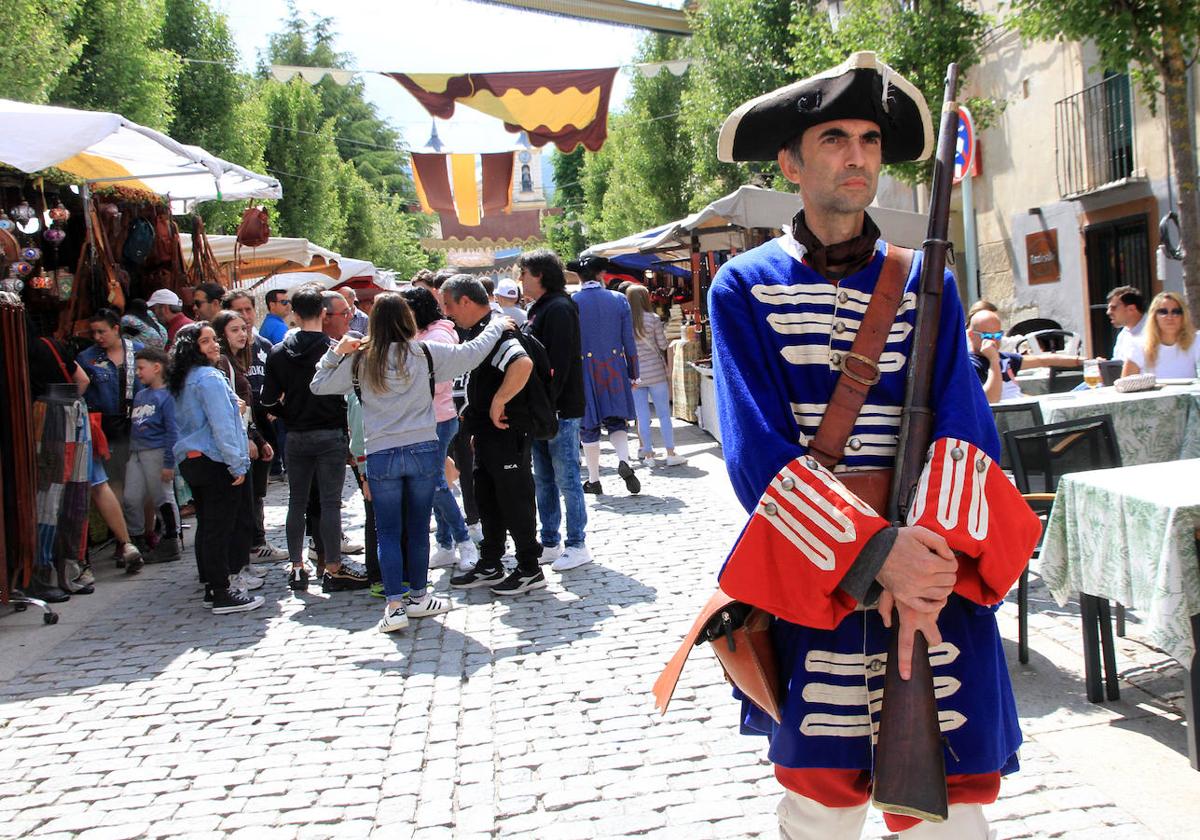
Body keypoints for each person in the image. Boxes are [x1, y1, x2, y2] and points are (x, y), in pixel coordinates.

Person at [707, 52, 1041, 838]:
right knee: (821, 812)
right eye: (833, 138)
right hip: (817, 569)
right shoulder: (743, 287)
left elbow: (966, 433)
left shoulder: (929, 278)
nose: (857, 155)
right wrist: (870, 554)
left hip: (932, 573)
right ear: (790, 162)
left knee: (951, 816)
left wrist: (921, 561)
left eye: (868, 139)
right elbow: (757, 451)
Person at [311, 292, 511, 632]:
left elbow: (319, 386)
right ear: (407, 319)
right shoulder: (424, 352)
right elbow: (471, 354)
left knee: (388, 531)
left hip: (380, 453)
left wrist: (335, 353)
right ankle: (419, 597)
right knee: (418, 528)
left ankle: (394, 604)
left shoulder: (361, 360)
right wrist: (495, 324)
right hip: (421, 447)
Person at [440, 275, 545, 595]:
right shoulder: (481, 330)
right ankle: (491, 562)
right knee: (488, 499)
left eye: (448, 304)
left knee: (514, 499)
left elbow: (521, 363)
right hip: (487, 433)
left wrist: (498, 401)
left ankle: (529, 567)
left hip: (507, 430)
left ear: (465, 301)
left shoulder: (496, 329)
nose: (446, 312)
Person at [261, 283, 367, 593]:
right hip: (331, 432)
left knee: (297, 501)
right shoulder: (333, 350)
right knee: (331, 503)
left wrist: (288, 414)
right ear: (323, 313)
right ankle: (332, 566)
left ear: (293, 314)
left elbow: (267, 400)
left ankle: (296, 567)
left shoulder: (278, 352)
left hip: (296, 435)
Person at [170, 323, 264, 614]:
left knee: (210, 526)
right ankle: (223, 591)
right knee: (221, 527)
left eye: (214, 340)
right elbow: (222, 426)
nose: (214, 345)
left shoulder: (184, 379)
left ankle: (215, 587)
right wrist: (237, 464)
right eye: (205, 341)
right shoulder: (208, 377)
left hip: (193, 460)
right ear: (192, 347)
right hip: (214, 460)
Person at [517, 249, 592, 571]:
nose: (520, 280)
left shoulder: (559, 308)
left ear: (540, 275)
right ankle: (550, 540)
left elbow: (559, 365)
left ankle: (577, 543)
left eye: (524, 274)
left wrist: (547, 406)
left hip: (558, 409)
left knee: (567, 479)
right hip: (542, 410)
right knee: (544, 479)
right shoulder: (541, 308)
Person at [398, 286, 480, 573]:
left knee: (433, 484)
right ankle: (446, 543)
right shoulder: (422, 334)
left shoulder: (438, 336)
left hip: (439, 418)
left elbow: (440, 381)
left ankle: (463, 539)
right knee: (436, 483)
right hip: (424, 419)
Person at [223, 290, 287, 562]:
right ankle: (246, 548)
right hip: (241, 430)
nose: (247, 318)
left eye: (249, 310)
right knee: (241, 493)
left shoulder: (262, 345)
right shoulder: (225, 356)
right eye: (240, 312)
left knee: (258, 490)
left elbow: (281, 377)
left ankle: (257, 542)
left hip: (263, 424)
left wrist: (277, 404)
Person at [569, 256, 641, 495]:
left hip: (583, 370)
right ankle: (624, 461)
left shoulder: (571, 302)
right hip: (614, 367)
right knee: (617, 420)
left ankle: (594, 480)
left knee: (588, 426)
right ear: (600, 275)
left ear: (578, 277)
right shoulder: (619, 299)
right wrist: (634, 373)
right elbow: (628, 341)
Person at [211, 310, 269, 593]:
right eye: (234, 330)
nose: (242, 334)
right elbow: (233, 410)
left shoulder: (236, 361)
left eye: (244, 329)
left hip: (245, 439)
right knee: (236, 513)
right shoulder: (222, 364)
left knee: (247, 507)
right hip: (235, 445)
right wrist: (250, 438)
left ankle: (241, 564)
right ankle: (234, 571)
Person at [122, 347, 181, 564]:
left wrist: (168, 463)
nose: (137, 373)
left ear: (156, 368)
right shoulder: (140, 395)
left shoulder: (167, 397)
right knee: (130, 497)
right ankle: (136, 540)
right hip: (137, 452)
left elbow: (172, 431)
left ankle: (170, 539)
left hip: (157, 452)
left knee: (162, 498)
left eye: (141, 368)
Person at [967, 308, 1083, 403]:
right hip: (1011, 423)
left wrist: (1085, 361)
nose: (993, 340)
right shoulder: (970, 364)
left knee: (1087, 390)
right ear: (971, 335)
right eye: (986, 336)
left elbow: (1043, 360)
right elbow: (991, 400)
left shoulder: (1005, 358)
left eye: (997, 335)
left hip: (1026, 412)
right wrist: (993, 361)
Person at [626, 284, 685, 466]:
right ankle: (670, 452)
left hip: (635, 375)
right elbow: (662, 344)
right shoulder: (653, 319)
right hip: (656, 373)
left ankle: (649, 455)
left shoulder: (625, 321)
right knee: (663, 414)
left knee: (642, 416)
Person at [1121, 290, 1199, 378]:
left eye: (1176, 312)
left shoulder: (1196, 341)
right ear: (1154, 317)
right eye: (1163, 312)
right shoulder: (1138, 346)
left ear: (1183, 316)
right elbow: (1125, 385)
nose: (1170, 317)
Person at [1106, 285, 1147, 362]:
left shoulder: (1154, 331)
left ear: (1131, 309)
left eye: (1113, 308)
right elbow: (1118, 364)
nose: (1108, 312)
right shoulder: (1123, 334)